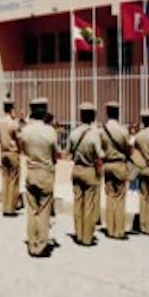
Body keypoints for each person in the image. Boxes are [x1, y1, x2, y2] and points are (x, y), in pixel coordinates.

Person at [19, 98, 59, 257]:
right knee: (44, 210)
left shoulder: (26, 131)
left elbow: (24, 150)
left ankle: (32, 242)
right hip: (45, 171)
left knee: (32, 209)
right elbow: (55, 154)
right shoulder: (50, 131)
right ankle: (41, 245)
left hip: (31, 170)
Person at [67, 102, 104, 246]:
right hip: (89, 170)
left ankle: (78, 233)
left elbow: (68, 152)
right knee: (89, 205)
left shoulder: (74, 132)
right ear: (93, 117)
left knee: (77, 203)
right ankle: (87, 237)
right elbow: (99, 155)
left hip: (77, 169)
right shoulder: (94, 134)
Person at [100, 101, 131, 240]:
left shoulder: (102, 130)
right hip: (119, 164)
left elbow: (100, 149)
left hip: (107, 164)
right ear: (118, 113)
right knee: (120, 197)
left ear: (107, 112)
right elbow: (128, 149)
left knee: (110, 196)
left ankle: (110, 228)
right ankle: (119, 230)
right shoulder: (123, 130)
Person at [0, 100, 21, 216]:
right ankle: (11, 207)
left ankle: (4, 205)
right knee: (13, 181)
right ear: (11, 110)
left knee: (5, 180)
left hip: (3, 152)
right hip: (12, 152)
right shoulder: (13, 123)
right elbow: (19, 139)